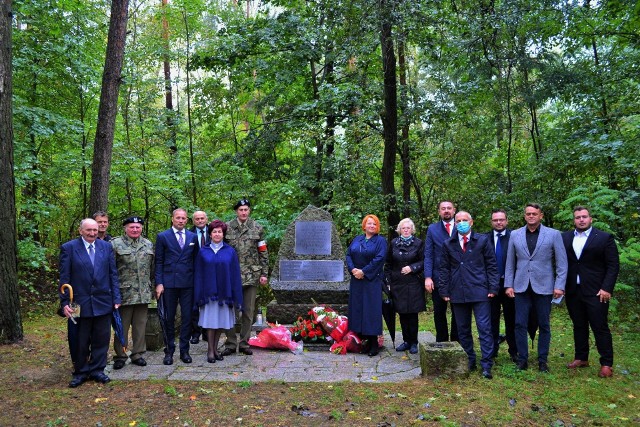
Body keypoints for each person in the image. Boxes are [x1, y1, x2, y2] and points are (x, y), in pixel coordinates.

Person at [504, 203, 567, 372]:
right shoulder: (515, 235)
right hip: (521, 286)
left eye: (534, 213)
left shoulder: (553, 234)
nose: (531, 216)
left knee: (544, 324)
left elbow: (562, 263)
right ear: (524, 216)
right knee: (519, 324)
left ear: (541, 216)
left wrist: (559, 285)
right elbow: (510, 262)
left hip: (545, 286)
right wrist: (508, 284)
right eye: (528, 213)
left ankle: (542, 361)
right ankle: (522, 359)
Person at [59, 218, 121, 387]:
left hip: (103, 300)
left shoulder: (106, 247)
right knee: (78, 338)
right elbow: (64, 278)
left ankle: (97, 369)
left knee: (101, 337)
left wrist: (116, 298)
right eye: (89, 230)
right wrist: (64, 302)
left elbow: (112, 274)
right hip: (77, 302)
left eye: (95, 230)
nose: (93, 233)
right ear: (81, 231)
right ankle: (81, 371)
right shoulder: (69, 248)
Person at [439, 211, 499, 379]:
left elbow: (492, 266)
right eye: (458, 221)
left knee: (484, 329)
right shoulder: (448, 243)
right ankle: (469, 359)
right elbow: (443, 268)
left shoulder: (482, 240)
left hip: (480, 291)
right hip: (458, 292)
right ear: (454, 223)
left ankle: (486, 363)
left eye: (465, 220)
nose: (461, 223)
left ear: (471, 222)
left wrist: (493, 288)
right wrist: (444, 290)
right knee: (463, 330)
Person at [562, 206, 619, 378]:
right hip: (573, 290)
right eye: (578, 217)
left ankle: (607, 363)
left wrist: (606, 288)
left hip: (596, 291)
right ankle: (581, 357)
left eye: (584, 217)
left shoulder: (604, 238)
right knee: (579, 325)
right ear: (574, 220)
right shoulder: (565, 237)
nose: (581, 220)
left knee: (599, 326)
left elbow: (613, 265)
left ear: (590, 219)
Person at [221, 199, 269, 356]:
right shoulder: (226, 228)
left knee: (248, 311)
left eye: (246, 209)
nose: (243, 212)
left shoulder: (257, 228)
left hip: (251, 275)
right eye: (240, 209)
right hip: (231, 276)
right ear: (236, 211)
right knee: (230, 310)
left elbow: (263, 251)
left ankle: (244, 342)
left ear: (249, 211)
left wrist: (264, 273)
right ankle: (230, 342)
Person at [194, 220, 244, 363]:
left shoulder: (230, 251)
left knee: (220, 322)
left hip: (225, 293)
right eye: (214, 231)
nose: (217, 234)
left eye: (219, 232)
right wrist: (199, 293)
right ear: (210, 234)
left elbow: (234, 273)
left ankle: (215, 349)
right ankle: (210, 351)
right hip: (208, 294)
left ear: (223, 234)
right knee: (211, 322)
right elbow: (198, 273)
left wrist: (235, 293)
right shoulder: (203, 251)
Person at [154, 208, 199, 365]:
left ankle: (184, 350)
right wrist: (159, 283)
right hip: (169, 283)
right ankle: (169, 350)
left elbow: (196, 261)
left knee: (187, 317)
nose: (181, 221)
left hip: (188, 283)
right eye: (178, 218)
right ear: (172, 219)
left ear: (187, 220)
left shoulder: (193, 237)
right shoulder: (163, 236)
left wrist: (197, 283)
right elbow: (158, 261)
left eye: (183, 218)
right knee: (168, 317)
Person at [110, 216, 154, 369]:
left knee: (140, 325)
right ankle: (120, 355)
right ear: (125, 228)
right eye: (132, 227)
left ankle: (137, 354)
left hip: (143, 292)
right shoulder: (115, 244)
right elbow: (111, 270)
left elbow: (152, 269)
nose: (135, 230)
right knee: (122, 325)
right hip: (124, 294)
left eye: (138, 227)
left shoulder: (148, 244)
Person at [346, 214, 387, 357]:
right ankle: (362, 341)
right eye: (369, 223)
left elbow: (379, 259)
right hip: (357, 280)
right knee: (358, 309)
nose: (372, 226)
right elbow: (348, 255)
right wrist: (353, 270)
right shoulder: (357, 239)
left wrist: (364, 271)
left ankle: (373, 343)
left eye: (374, 224)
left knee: (371, 310)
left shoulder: (380, 241)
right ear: (364, 225)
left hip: (371, 280)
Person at [385, 218, 425, 354]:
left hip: (413, 283)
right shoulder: (393, 243)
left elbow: (424, 261)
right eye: (403, 228)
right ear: (399, 230)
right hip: (398, 284)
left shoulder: (419, 243)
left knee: (412, 314)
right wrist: (388, 282)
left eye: (408, 228)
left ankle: (414, 341)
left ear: (412, 229)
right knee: (402, 313)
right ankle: (406, 341)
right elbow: (388, 264)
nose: (406, 230)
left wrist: (412, 268)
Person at [424, 200, 458, 342]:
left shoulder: (462, 227)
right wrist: (428, 277)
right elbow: (428, 254)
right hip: (438, 278)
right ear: (439, 212)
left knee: (458, 313)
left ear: (454, 210)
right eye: (443, 208)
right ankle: (442, 343)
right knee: (439, 312)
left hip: (458, 278)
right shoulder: (433, 229)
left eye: (449, 208)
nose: (446, 211)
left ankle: (457, 342)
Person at [487, 209, 517, 362]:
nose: (498, 222)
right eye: (495, 220)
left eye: (501, 220)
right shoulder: (484, 239)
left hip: (510, 285)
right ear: (491, 222)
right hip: (490, 286)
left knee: (512, 319)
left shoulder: (515, 237)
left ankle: (514, 351)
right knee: (491, 319)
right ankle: (492, 351)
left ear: (507, 220)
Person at [190, 210, 210, 344]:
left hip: (210, 273)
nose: (200, 221)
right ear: (193, 221)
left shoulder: (215, 231)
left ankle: (207, 332)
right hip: (194, 274)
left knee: (209, 303)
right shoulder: (188, 234)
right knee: (195, 304)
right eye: (197, 219)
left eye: (202, 218)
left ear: (206, 219)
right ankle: (195, 332)